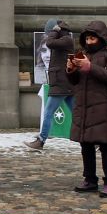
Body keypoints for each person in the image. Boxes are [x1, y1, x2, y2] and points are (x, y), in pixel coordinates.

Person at [66, 21, 107, 198]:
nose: (90, 42)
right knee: (86, 145)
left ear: (101, 38)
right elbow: (76, 82)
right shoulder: (83, 54)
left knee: (106, 145)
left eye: (93, 38)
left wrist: (90, 67)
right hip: (84, 106)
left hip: (103, 106)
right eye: (87, 38)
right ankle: (90, 180)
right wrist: (71, 71)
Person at [25, 19, 75, 150]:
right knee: (77, 113)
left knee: (48, 112)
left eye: (49, 32)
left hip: (61, 84)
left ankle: (41, 141)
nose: (48, 35)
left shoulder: (66, 40)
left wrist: (53, 32)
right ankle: (94, 139)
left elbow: (50, 42)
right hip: (63, 83)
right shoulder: (63, 40)